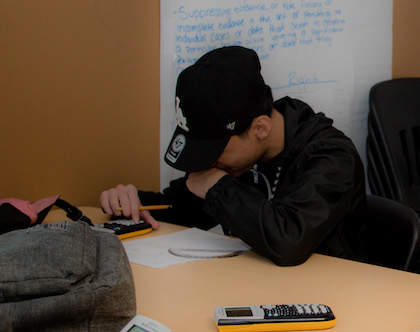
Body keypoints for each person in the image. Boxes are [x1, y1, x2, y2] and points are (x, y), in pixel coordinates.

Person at [100, 46, 370, 266]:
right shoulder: (237, 160)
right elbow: (184, 207)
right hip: (259, 288)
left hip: (329, 299)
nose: (210, 164)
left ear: (260, 128)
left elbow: (289, 240)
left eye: (214, 151)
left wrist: (217, 187)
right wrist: (133, 203)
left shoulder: (332, 158)